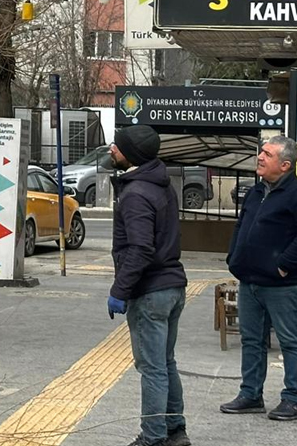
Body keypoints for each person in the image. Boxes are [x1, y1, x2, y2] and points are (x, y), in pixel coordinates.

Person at [106, 124, 189, 446]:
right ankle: (175, 430)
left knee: (152, 368)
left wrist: (119, 291)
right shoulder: (161, 184)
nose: (112, 149)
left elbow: (140, 248)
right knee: (166, 363)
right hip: (172, 286)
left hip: (151, 292)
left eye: (117, 146)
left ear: (132, 154)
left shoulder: (136, 194)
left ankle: (153, 437)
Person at [221, 135, 297, 421]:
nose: (260, 156)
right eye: (262, 152)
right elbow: (241, 225)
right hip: (249, 280)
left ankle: (294, 399)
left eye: (267, 154)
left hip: (284, 284)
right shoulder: (256, 191)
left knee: (292, 341)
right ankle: (250, 395)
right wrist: (234, 258)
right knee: (252, 339)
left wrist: (283, 266)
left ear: (284, 165)